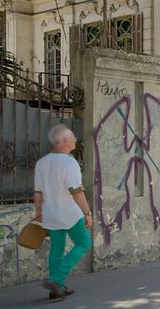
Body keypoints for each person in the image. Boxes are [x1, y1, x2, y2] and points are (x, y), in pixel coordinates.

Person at [34, 124, 93, 300]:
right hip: (69, 213)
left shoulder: (42, 162)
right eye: (73, 137)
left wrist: (38, 211)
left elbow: (38, 191)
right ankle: (56, 279)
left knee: (57, 248)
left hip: (49, 212)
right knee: (83, 242)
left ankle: (56, 289)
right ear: (66, 141)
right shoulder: (69, 162)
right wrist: (87, 213)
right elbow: (76, 191)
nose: (75, 140)